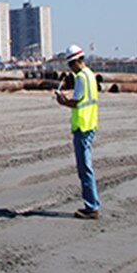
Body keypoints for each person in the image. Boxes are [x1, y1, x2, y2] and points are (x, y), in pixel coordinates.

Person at [54, 43, 100, 219]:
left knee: (85, 168)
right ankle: (92, 205)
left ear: (74, 62)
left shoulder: (81, 77)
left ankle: (91, 206)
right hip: (90, 124)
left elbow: (76, 101)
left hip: (82, 125)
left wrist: (62, 101)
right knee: (86, 167)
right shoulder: (90, 75)